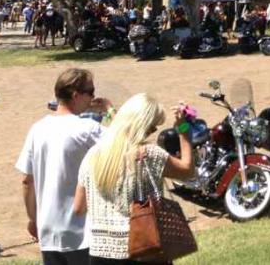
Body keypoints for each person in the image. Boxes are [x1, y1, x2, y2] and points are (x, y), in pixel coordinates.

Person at [74, 93, 194, 264]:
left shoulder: (92, 156)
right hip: (143, 247)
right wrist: (184, 131)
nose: (152, 132)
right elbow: (187, 171)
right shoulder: (148, 154)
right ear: (142, 126)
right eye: (152, 127)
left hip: (100, 254)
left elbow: (79, 208)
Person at [16, 69, 105, 265]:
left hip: (48, 230)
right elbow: (124, 145)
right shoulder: (89, 129)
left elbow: (27, 181)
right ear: (75, 95)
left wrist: (33, 219)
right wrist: (110, 109)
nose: (93, 97)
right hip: (83, 231)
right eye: (90, 92)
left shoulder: (37, 129)